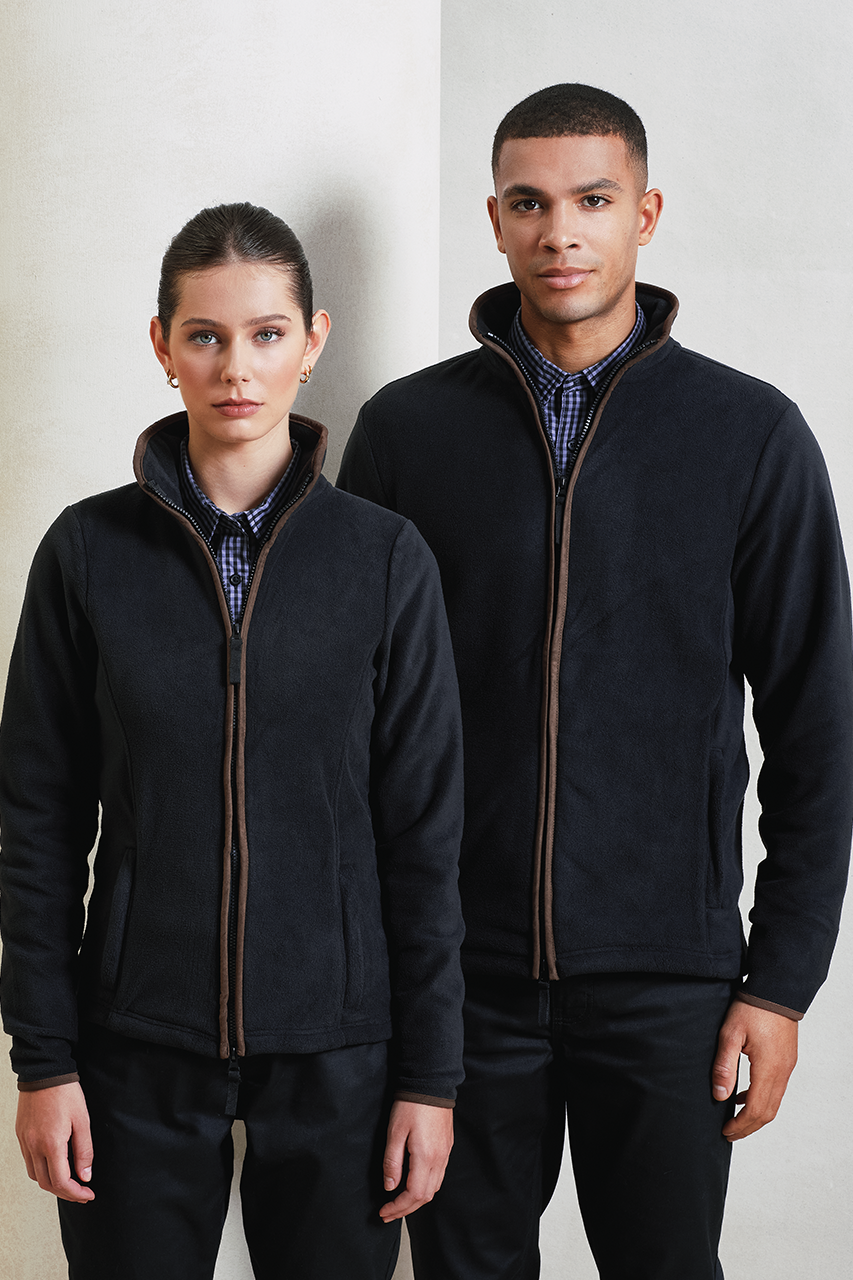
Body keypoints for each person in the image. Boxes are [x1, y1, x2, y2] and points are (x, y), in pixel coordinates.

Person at [336, 84, 853, 1279]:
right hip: (456, 977)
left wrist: (779, 984)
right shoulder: (407, 432)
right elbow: (346, 722)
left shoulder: (750, 435)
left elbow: (818, 730)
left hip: (669, 980)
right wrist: (369, 971)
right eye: (528, 203)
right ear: (495, 219)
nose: (559, 231)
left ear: (645, 214)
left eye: (592, 200)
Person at [0, 201, 465, 1280]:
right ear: (162, 346)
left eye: (266, 333)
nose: (236, 368)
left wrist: (430, 1078)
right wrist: (45, 1061)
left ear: (313, 341)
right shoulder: (86, 552)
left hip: (342, 1052)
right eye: (204, 335)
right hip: (133, 1049)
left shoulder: (385, 560)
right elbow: (36, 825)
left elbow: (426, 838)